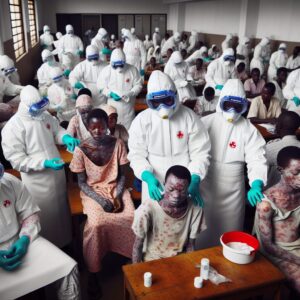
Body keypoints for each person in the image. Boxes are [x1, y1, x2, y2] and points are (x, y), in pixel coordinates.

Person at [1, 85, 80, 248]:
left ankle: (67, 244)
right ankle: (51, 248)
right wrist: (44, 163)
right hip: (37, 181)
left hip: (57, 174)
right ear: (26, 106)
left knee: (62, 212)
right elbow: (17, 160)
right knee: (46, 216)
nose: (40, 111)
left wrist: (65, 138)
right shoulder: (13, 127)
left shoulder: (43, 116)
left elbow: (56, 130)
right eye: (36, 108)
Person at [69, 109, 135, 292]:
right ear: (88, 128)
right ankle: (93, 272)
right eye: (93, 127)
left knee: (131, 217)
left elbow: (122, 176)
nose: (97, 131)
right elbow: (81, 183)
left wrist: (118, 196)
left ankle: (132, 261)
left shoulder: (118, 144)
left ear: (108, 126)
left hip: (116, 188)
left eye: (101, 127)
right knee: (96, 224)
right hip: (92, 191)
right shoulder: (81, 149)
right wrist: (101, 200)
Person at [196, 79, 267, 249]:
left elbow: (257, 157)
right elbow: (193, 151)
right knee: (201, 230)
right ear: (221, 102)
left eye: (238, 106)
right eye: (228, 104)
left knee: (229, 232)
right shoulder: (205, 122)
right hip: (206, 180)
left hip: (233, 188)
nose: (232, 111)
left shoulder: (248, 129)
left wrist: (256, 183)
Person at [128, 70, 211, 204]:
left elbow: (200, 153)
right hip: (155, 181)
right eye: (156, 103)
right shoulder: (142, 120)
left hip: (184, 180)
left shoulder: (190, 118)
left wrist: (194, 178)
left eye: (167, 101)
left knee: (184, 220)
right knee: (155, 219)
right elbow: (136, 155)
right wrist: (147, 177)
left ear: (175, 96)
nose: (162, 107)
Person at [0, 168, 80, 300]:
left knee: (67, 267)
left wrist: (25, 238)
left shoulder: (9, 182)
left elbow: (29, 213)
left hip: (20, 239)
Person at [132, 165, 206, 263]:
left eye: (182, 191)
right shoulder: (147, 209)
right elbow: (138, 246)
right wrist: (135, 274)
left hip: (180, 260)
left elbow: (190, 245)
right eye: (171, 189)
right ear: (164, 184)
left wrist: (190, 267)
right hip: (152, 261)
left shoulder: (195, 210)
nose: (176, 195)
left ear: (188, 188)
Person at [254, 146, 300, 294]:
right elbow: (268, 246)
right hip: (277, 253)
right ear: (280, 170)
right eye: (296, 173)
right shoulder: (266, 204)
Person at [97, 48, 143, 130]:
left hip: (128, 107)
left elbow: (139, 85)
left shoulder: (132, 70)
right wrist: (110, 93)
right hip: (112, 106)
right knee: (113, 130)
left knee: (129, 130)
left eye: (121, 65)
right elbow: (100, 86)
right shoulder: (106, 71)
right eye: (116, 65)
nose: (119, 68)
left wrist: (131, 93)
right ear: (111, 63)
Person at [265, 111, 300, 188]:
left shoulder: (269, 148)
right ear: (297, 127)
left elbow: (261, 173)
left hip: (275, 194)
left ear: (278, 126)